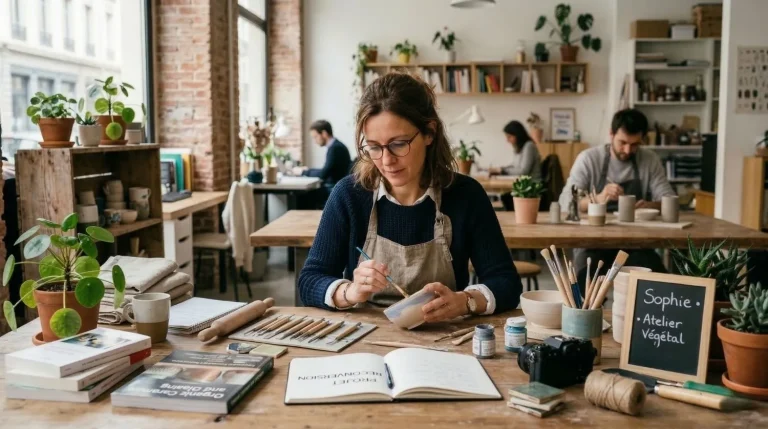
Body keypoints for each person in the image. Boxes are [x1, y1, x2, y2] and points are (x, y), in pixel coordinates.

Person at [298, 73, 522, 320]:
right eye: (374, 146)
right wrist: (349, 291)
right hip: (364, 339)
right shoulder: (349, 195)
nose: (386, 160)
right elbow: (310, 280)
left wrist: (465, 301)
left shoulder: (465, 195)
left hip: (444, 337)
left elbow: (506, 283)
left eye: (398, 144)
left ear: (429, 133)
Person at [558, 108, 675, 287]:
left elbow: (668, 198)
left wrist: (650, 205)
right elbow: (565, 202)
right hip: (593, 244)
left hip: (636, 243)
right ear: (611, 134)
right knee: (583, 295)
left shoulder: (649, 160)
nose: (628, 150)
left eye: (635, 144)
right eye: (623, 142)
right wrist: (599, 197)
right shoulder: (589, 159)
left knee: (662, 285)